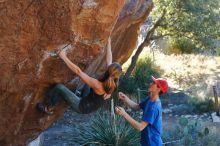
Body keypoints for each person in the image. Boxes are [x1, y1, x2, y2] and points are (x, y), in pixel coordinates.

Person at [37, 37, 122, 114]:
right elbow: (109, 60)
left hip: (82, 106)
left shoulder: (98, 85)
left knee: (59, 87)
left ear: (109, 70)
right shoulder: (114, 82)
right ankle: (77, 94)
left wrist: (63, 57)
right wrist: (109, 41)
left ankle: (49, 108)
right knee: (87, 84)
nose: (108, 65)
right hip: (90, 101)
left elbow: (78, 72)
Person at [115, 76, 168, 146]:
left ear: (159, 89)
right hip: (146, 142)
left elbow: (140, 127)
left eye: (154, 83)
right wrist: (125, 98)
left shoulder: (154, 107)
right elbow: (137, 107)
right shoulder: (150, 99)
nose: (150, 83)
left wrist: (124, 114)